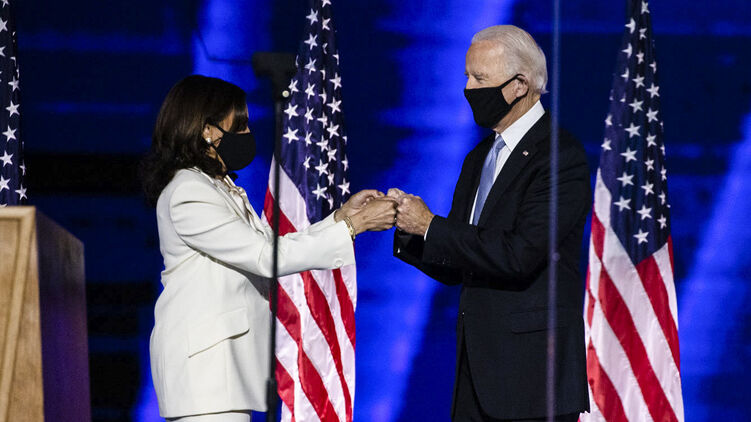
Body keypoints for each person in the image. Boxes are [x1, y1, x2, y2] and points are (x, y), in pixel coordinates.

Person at [140, 75, 396, 421]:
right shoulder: (189, 191)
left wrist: (342, 218)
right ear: (208, 131)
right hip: (206, 375)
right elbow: (265, 257)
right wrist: (354, 227)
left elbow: (271, 246)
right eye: (239, 125)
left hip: (221, 375)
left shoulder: (216, 186)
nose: (248, 133)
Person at [391, 25, 590, 421]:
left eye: (479, 78)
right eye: (467, 76)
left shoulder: (560, 157)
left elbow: (520, 254)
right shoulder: (479, 156)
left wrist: (429, 225)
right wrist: (406, 227)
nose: (468, 88)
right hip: (476, 375)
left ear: (519, 85)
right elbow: (461, 258)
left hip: (532, 381)